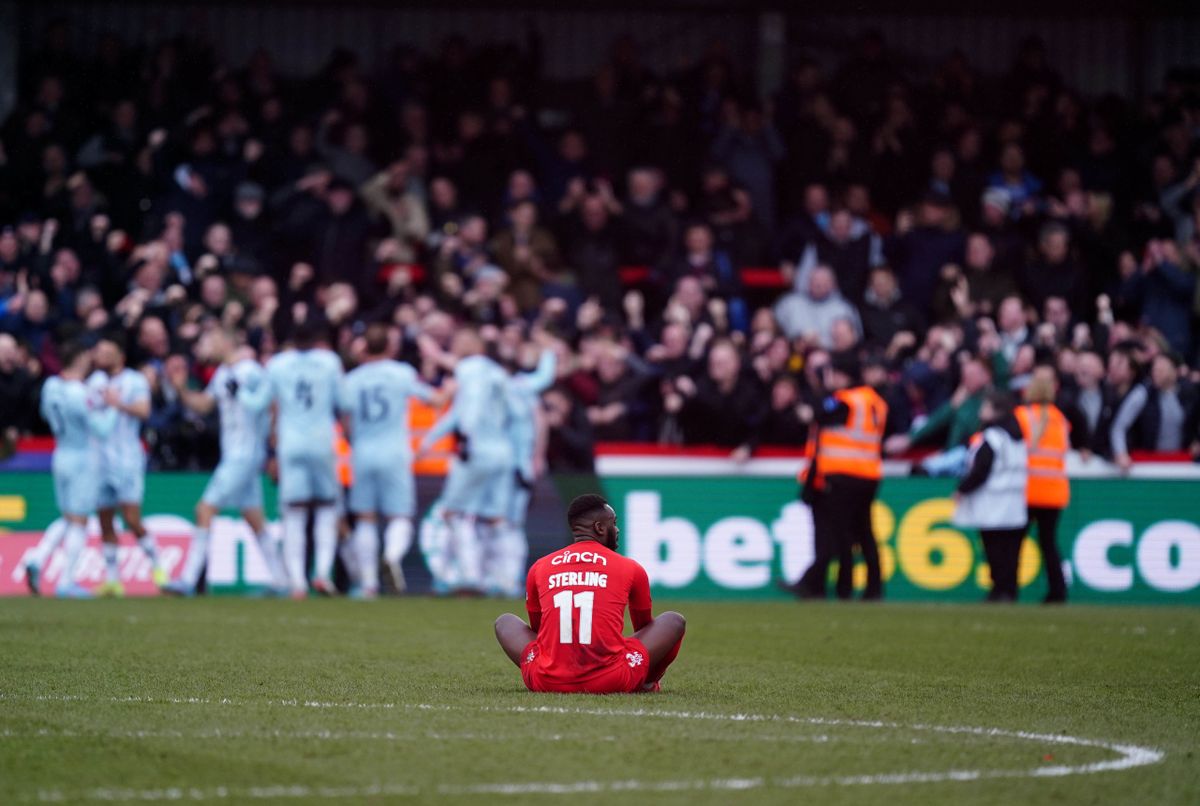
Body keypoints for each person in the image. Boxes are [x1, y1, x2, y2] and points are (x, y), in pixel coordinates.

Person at [494, 494, 686, 694]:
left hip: (546, 680)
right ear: (600, 528)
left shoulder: (540, 566)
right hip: (611, 680)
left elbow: (539, 631)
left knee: (504, 621)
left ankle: (554, 672)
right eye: (614, 523)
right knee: (673, 620)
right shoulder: (631, 568)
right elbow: (644, 627)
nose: (617, 530)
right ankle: (647, 683)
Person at [165, 328, 282, 596]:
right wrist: (182, 389)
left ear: (226, 341)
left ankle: (188, 578)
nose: (204, 345)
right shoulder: (222, 374)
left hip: (244, 454)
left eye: (209, 338)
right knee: (254, 517)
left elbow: (271, 404)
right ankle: (281, 579)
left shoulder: (250, 371)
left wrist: (272, 447)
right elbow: (205, 405)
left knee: (204, 509)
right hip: (238, 455)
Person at [338, 324, 436, 598]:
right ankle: (392, 556)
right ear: (389, 347)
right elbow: (431, 398)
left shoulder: (353, 379)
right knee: (400, 516)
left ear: (364, 348)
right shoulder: (402, 373)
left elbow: (346, 422)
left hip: (364, 451)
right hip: (395, 452)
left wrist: (354, 441)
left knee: (365, 518)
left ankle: (368, 584)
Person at [418, 328, 513, 593]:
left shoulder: (467, 369)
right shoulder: (498, 373)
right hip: (503, 450)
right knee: (496, 517)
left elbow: (464, 411)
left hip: (477, 448)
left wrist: (440, 440)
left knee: (453, 512)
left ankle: (468, 575)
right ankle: (507, 579)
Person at [788, 353, 888, 600]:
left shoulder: (846, 400)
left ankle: (845, 588)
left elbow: (820, 415)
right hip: (870, 474)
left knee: (842, 536)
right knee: (865, 533)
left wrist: (815, 397)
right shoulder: (875, 401)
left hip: (843, 475)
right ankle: (874, 589)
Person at [23, 341, 116, 598]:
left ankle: (37, 559)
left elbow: (44, 414)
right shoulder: (79, 392)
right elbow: (103, 430)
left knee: (67, 516)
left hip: (60, 454)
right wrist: (113, 406)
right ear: (81, 359)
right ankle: (66, 582)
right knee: (79, 520)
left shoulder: (51, 386)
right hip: (82, 458)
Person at [267, 318, 345, 596]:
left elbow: (270, 405)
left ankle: (297, 582)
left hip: (291, 443)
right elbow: (343, 403)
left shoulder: (277, 364)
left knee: (294, 512)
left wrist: (271, 447)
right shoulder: (329, 362)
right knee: (326, 507)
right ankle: (322, 573)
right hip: (322, 440)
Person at [87, 334, 164, 596]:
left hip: (127, 459)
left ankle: (159, 568)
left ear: (119, 355)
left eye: (106, 352)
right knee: (105, 521)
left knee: (132, 519)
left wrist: (116, 403)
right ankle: (112, 580)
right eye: (98, 352)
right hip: (99, 461)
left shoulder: (134, 380)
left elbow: (144, 412)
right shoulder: (94, 381)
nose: (101, 356)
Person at [482, 339, 556, 597]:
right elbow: (546, 377)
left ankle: (503, 578)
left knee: (501, 523)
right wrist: (547, 348)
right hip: (515, 464)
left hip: (503, 465)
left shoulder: (494, 388)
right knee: (508, 523)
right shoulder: (523, 387)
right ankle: (505, 578)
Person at [953, 391, 1028, 602]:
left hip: (993, 501)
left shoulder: (993, 437)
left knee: (994, 550)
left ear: (996, 412)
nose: (981, 411)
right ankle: (1010, 590)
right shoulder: (1018, 437)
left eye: (986, 407)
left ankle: (998, 590)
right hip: (1015, 501)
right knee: (1012, 552)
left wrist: (962, 489)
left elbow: (981, 470)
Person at [1015, 366, 1071, 604]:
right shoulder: (1060, 418)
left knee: (1014, 544)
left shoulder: (1022, 415)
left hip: (1028, 490)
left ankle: (1007, 589)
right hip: (1055, 491)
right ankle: (1057, 591)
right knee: (1049, 544)